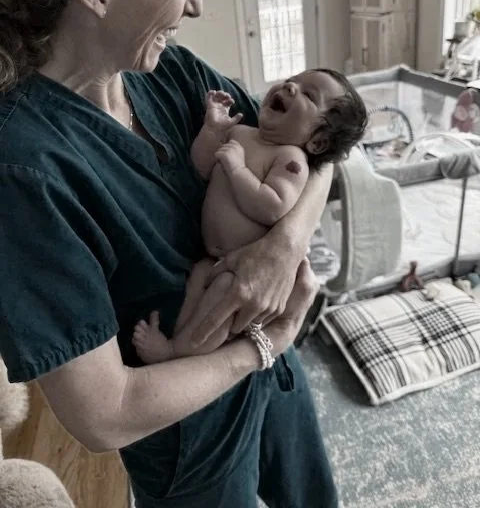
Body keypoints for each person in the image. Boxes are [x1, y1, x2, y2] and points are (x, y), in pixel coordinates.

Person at [0, 0, 338, 507]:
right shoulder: (24, 170)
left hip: (269, 381)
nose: (198, 3)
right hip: (191, 440)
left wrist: (282, 248)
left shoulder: (169, 74)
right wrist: (264, 346)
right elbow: (104, 414)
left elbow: (318, 152)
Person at [132, 70, 367, 364]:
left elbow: (272, 205)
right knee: (196, 285)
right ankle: (179, 339)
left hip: (243, 265)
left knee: (222, 302)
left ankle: (177, 351)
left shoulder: (290, 160)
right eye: (293, 80)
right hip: (211, 256)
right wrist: (212, 131)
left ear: (318, 143)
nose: (291, 86)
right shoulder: (241, 133)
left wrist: (237, 169)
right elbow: (201, 169)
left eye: (309, 95)